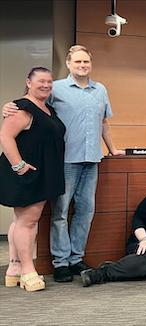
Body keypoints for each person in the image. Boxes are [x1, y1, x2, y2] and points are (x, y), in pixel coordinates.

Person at [3, 45, 125, 282]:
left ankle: (76, 258)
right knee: (59, 213)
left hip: (92, 160)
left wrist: (112, 149)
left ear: (91, 64)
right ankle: (60, 263)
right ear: (68, 64)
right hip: (64, 161)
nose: (82, 66)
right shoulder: (54, 88)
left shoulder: (100, 90)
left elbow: (104, 123)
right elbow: (28, 102)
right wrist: (8, 106)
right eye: (78, 62)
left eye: (86, 62)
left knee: (85, 211)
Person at [1, 67, 65, 291]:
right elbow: (5, 136)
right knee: (28, 222)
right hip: (27, 170)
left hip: (42, 170)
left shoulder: (47, 108)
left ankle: (14, 269)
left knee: (21, 221)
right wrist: (19, 166)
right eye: (40, 81)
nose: (46, 85)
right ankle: (28, 271)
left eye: (49, 82)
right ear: (28, 82)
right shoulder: (21, 107)